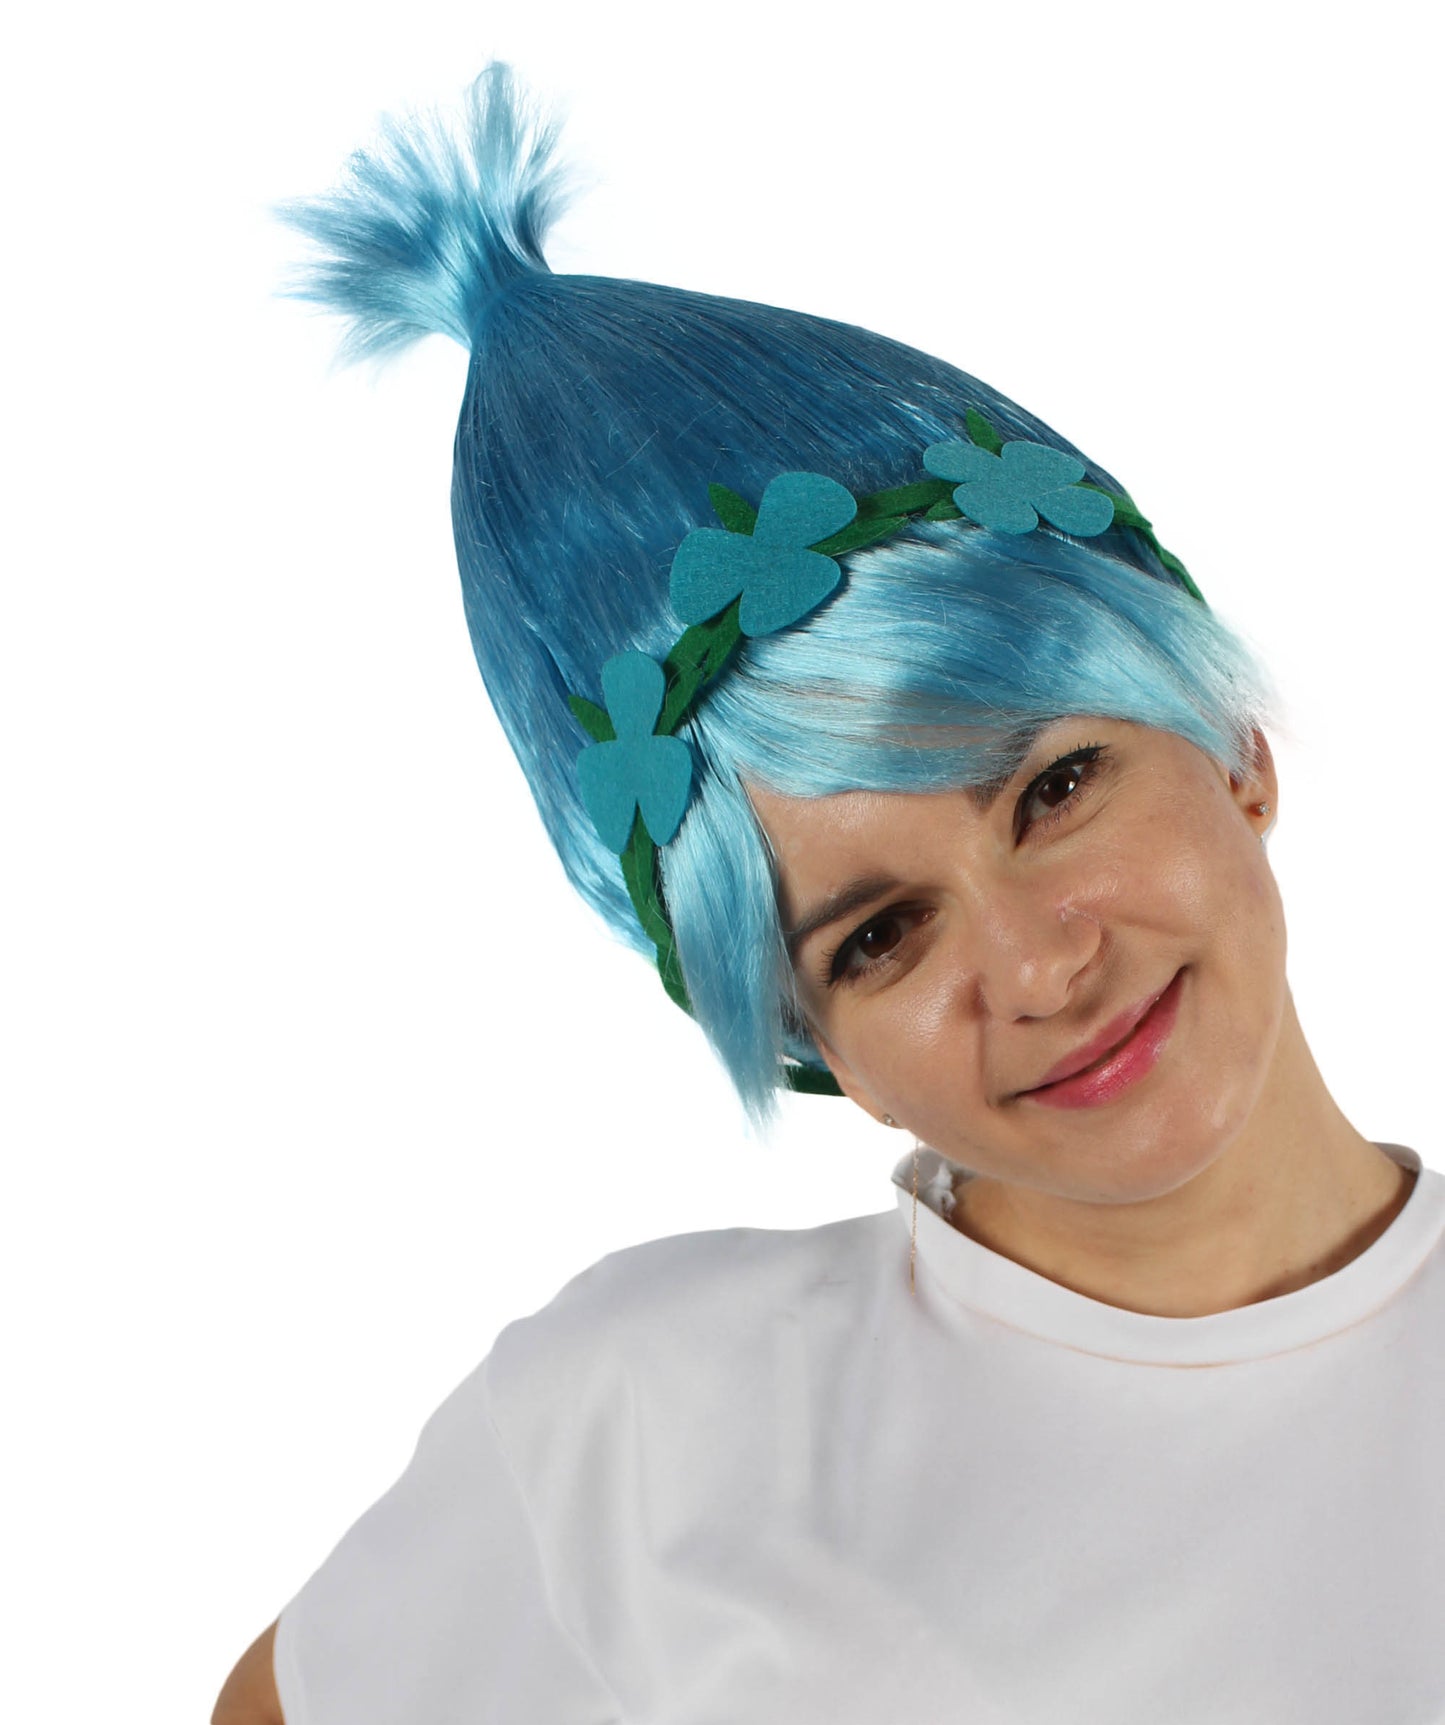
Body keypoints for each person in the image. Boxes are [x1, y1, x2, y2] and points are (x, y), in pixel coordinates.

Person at [213, 64, 1445, 1725]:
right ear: (813, 1043)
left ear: (1232, 744)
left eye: (1052, 787)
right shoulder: (648, 1417)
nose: (1036, 965)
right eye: (878, 934)